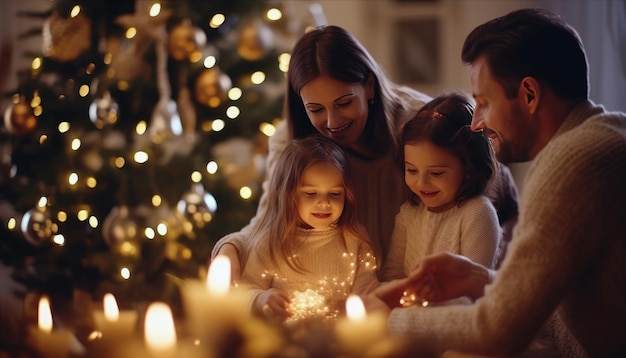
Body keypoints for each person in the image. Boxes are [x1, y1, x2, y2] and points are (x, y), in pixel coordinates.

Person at [364, 8, 626, 357]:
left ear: (529, 94)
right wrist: (486, 283)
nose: (476, 124)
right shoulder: (608, 133)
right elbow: (575, 318)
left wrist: (390, 320)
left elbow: (496, 332)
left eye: (484, 103)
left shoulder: (571, 162)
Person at [211, 25, 519, 279]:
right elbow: (270, 219)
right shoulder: (293, 141)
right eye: (316, 109)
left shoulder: (418, 124)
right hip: (362, 293)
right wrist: (230, 249)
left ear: (369, 86)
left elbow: (491, 187)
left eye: (344, 103)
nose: (332, 122)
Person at [238, 135, 377, 322]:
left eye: (335, 194)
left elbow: (364, 298)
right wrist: (261, 297)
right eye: (311, 193)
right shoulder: (271, 242)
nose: (324, 203)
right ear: (288, 194)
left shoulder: (355, 239)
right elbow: (243, 291)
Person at [380, 91, 501, 284]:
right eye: (411, 170)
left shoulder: (478, 214)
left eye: (436, 173)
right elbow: (392, 275)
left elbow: (473, 291)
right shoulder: (409, 214)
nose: (421, 183)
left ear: (468, 168)